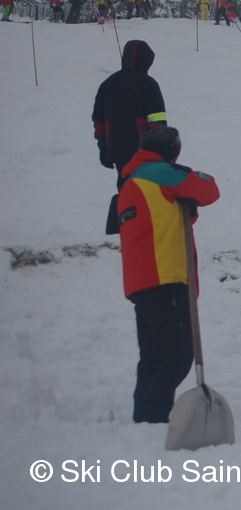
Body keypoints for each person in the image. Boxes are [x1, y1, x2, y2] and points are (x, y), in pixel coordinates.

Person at [116, 125, 220, 423]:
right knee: (177, 355)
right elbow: (208, 190)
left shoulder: (133, 180)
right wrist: (186, 174)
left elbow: (166, 217)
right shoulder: (160, 173)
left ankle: (144, 417)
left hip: (141, 280)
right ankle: (153, 415)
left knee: (153, 356)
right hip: (165, 276)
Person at [93, 40, 169, 189]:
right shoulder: (148, 84)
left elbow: (99, 121)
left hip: (117, 148)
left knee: (125, 189)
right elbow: (158, 120)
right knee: (146, 190)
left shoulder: (107, 84)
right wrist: (162, 149)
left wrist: (103, 148)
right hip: (143, 149)